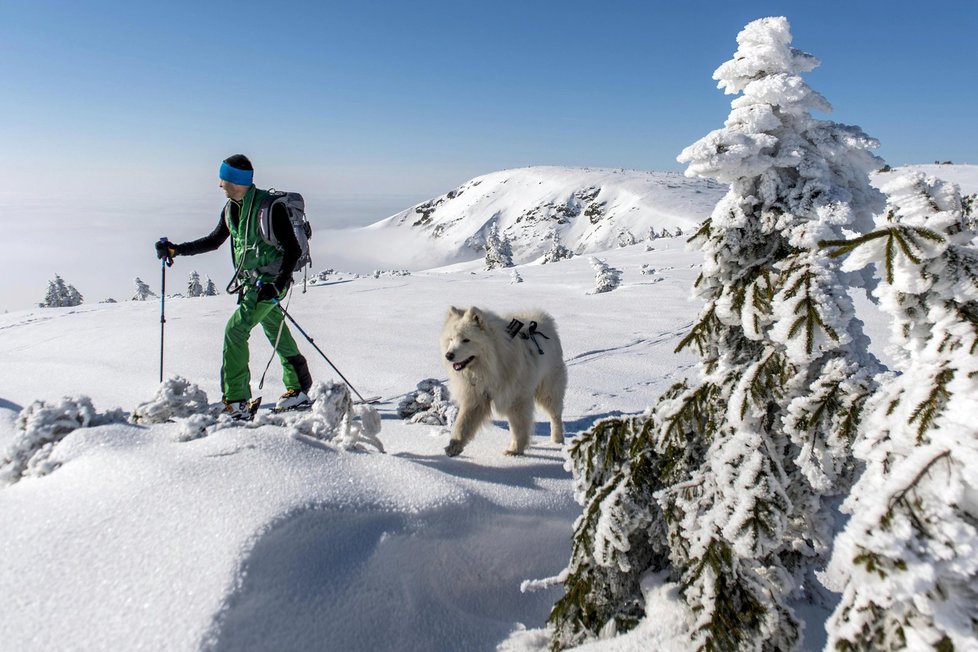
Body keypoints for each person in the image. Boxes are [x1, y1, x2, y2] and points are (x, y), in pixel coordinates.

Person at [155, 154, 312, 418]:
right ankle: (299, 388)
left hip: (270, 283)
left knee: (235, 331)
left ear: (235, 181)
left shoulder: (269, 208)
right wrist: (176, 250)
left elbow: (293, 249)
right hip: (253, 284)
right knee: (275, 331)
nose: (219, 184)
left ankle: (237, 401)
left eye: (223, 178)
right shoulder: (232, 209)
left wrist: (278, 284)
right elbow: (214, 240)